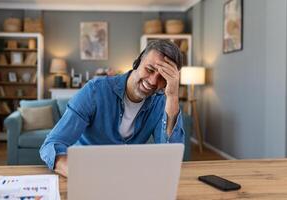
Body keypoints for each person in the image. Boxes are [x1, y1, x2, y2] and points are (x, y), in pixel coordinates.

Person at [40, 40, 185, 177]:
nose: (153, 81)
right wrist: (81, 174)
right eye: (149, 69)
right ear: (138, 62)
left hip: (127, 177)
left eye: (163, 78)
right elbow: (51, 145)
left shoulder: (162, 102)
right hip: (85, 172)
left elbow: (170, 157)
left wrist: (172, 97)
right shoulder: (95, 91)